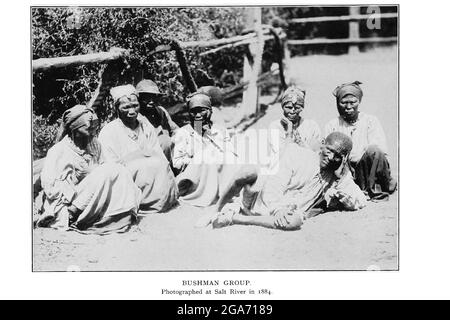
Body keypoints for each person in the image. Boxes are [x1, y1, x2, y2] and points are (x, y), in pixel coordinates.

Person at [209, 132, 367, 231]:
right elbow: (273, 185)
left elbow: (360, 201)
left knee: (295, 222)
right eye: (330, 150)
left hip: (286, 214)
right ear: (323, 144)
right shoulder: (297, 154)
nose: (331, 157)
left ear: (344, 158)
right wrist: (279, 209)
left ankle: (236, 219)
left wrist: (340, 176)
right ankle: (217, 210)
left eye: (338, 156)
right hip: (260, 201)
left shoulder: (337, 174)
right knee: (247, 172)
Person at [38, 105, 141, 234]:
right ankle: (72, 215)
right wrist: (77, 178)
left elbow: (108, 168)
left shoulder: (95, 144)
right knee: (107, 171)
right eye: (88, 124)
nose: (93, 127)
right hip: (67, 202)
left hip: (93, 194)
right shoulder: (58, 151)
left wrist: (93, 173)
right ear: (74, 127)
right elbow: (50, 189)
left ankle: (117, 215)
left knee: (119, 170)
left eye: (94, 124)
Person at [98, 85, 178, 214]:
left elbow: (157, 152)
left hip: (151, 171)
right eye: (126, 107)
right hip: (127, 174)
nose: (132, 111)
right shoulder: (109, 131)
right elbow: (110, 165)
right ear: (116, 109)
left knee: (161, 163)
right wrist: (137, 158)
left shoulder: (147, 125)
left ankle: (159, 200)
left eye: (135, 106)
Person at [324, 81, 397, 200]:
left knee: (374, 150)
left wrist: (355, 157)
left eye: (353, 102)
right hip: (344, 170)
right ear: (337, 103)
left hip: (368, 169)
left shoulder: (370, 121)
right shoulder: (332, 125)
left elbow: (378, 150)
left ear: (359, 101)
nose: (348, 107)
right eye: (344, 103)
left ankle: (375, 190)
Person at [172, 92, 240, 207]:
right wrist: (197, 158)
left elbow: (232, 154)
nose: (198, 115)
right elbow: (177, 163)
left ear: (210, 111)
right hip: (195, 179)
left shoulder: (220, 130)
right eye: (194, 111)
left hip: (219, 174)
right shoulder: (183, 133)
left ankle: (226, 194)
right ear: (189, 113)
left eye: (202, 110)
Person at [269, 86, 322, 154]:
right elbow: (282, 154)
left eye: (297, 108)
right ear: (283, 107)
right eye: (289, 107)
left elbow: (317, 152)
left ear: (302, 108)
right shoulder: (275, 126)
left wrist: (300, 142)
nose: (292, 111)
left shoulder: (312, 126)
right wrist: (289, 132)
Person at [136, 79, 179, 162]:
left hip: (168, 153)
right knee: (164, 140)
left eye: (154, 98)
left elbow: (175, 129)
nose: (151, 101)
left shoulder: (160, 111)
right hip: (149, 158)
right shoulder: (136, 117)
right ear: (139, 99)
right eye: (146, 98)